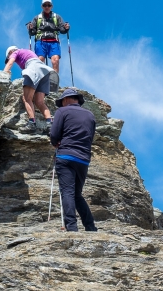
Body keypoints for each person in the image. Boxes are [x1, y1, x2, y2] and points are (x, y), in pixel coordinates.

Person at [50, 88, 97, 232]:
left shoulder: (62, 112)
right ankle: (90, 227)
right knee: (77, 194)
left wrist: (55, 142)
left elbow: (54, 133)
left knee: (68, 192)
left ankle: (71, 227)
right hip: (83, 159)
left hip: (66, 156)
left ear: (65, 100)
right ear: (77, 99)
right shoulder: (90, 115)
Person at [3, 46, 54, 133]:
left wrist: (4, 74)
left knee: (27, 98)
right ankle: (50, 125)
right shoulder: (27, 52)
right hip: (44, 71)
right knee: (39, 102)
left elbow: (10, 63)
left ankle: (31, 123)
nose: (10, 58)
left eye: (8, 56)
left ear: (11, 52)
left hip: (33, 68)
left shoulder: (16, 52)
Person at [27, 0, 70, 73]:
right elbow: (32, 32)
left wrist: (66, 28)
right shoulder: (37, 18)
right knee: (40, 60)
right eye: (45, 5)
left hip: (54, 41)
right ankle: (41, 79)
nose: (47, 7)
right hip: (41, 41)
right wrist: (30, 28)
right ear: (42, 6)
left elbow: (62, 30)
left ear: (51, 6)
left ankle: (54, 80)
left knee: (55, 60)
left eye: (48, 5)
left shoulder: (57, 17)